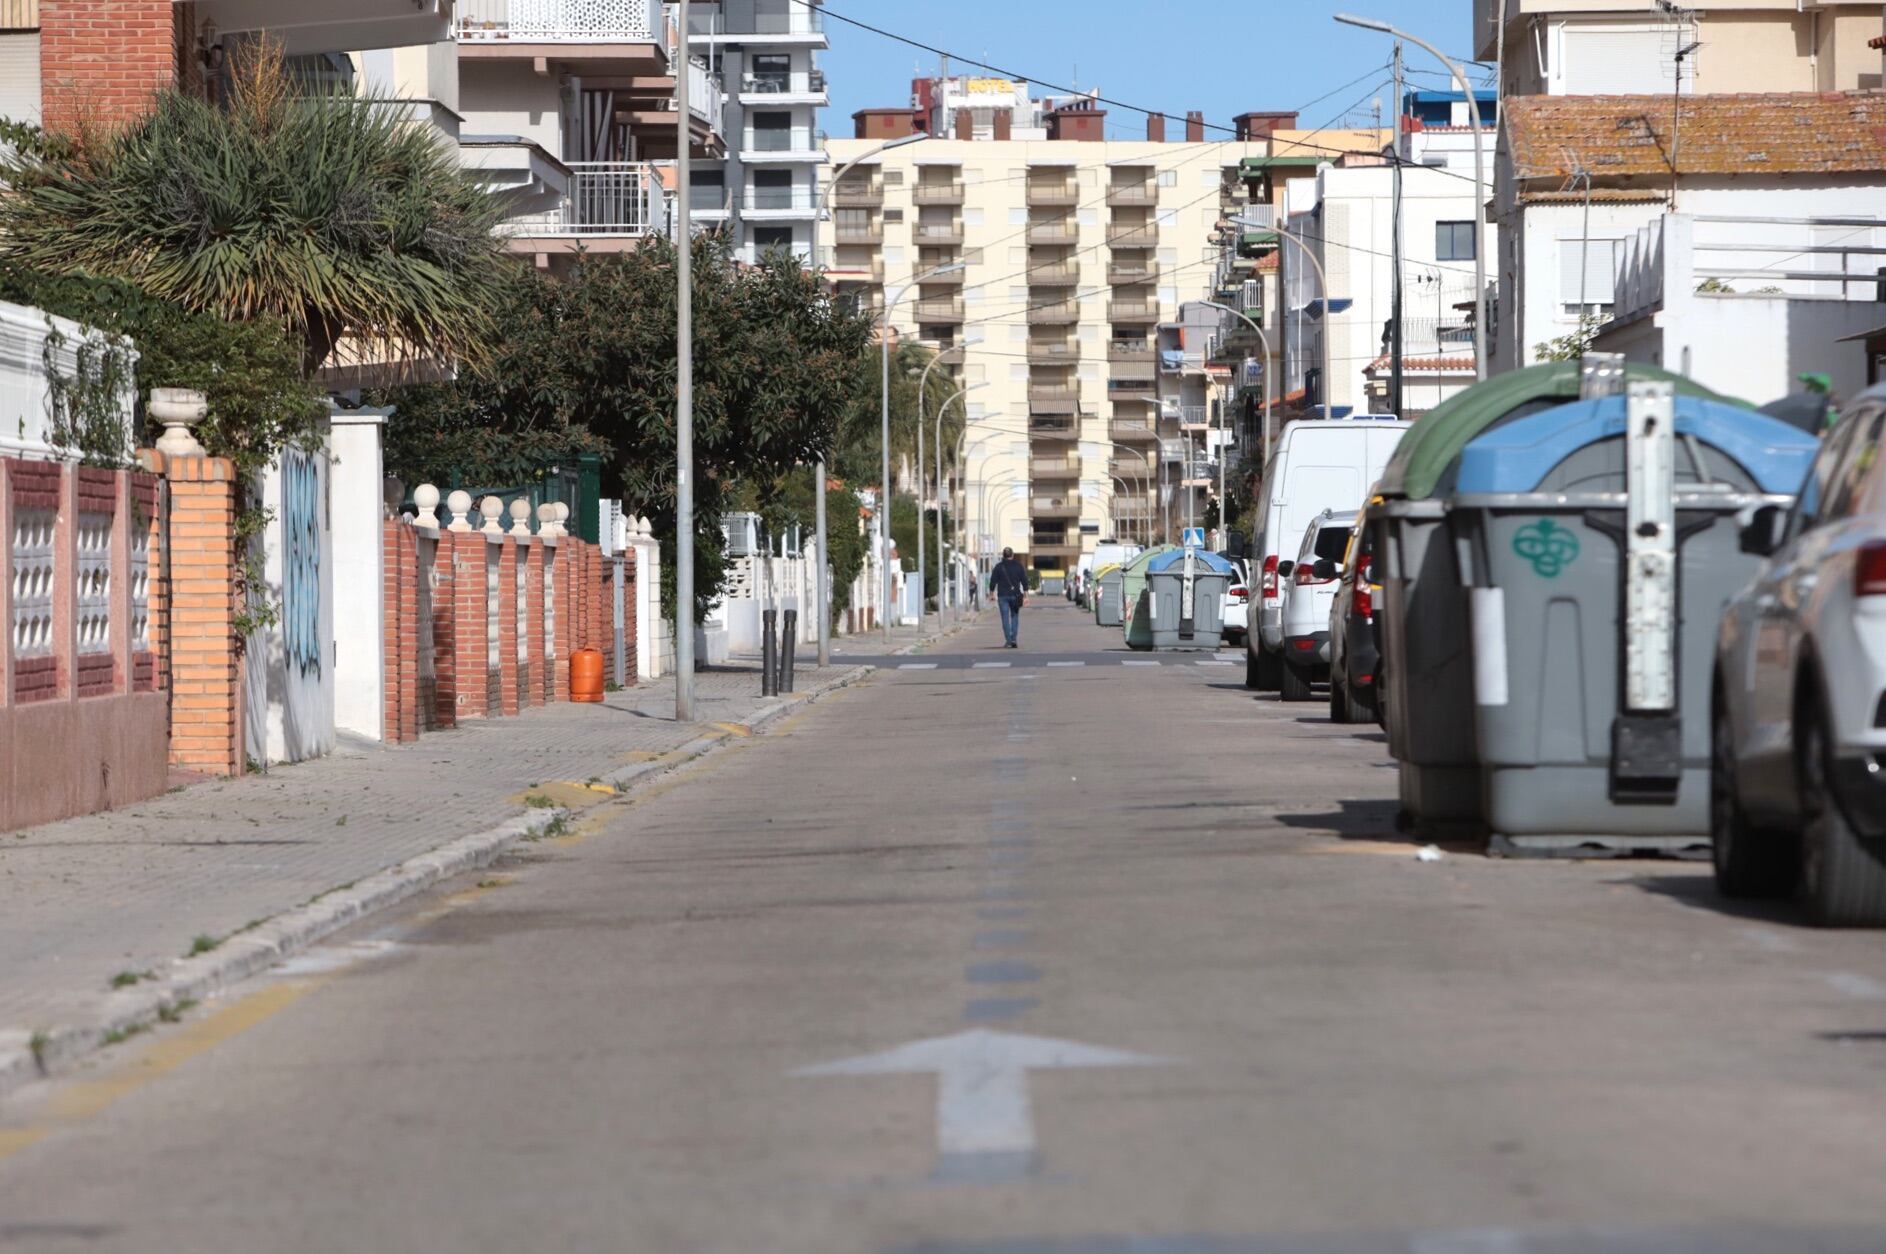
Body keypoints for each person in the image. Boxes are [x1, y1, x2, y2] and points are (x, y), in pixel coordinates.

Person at [988, 547, 1029, 649]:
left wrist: (991, 593)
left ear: (1003, 555)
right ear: (1012, 555)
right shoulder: (1018, 566)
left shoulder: (998, 567)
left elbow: (993, 581)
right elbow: (1024, 580)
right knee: (1014, 617)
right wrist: (1026, 595)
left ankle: (1009, 641)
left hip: (1002, 596)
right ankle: (1014, 639)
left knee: (1005, 618)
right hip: (1016, 595)